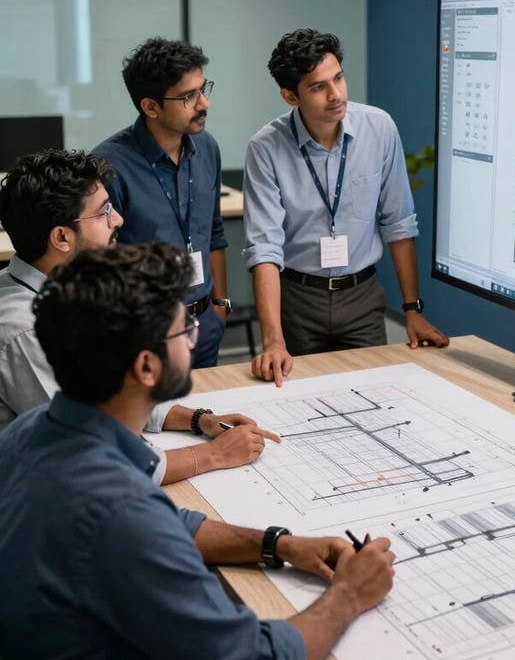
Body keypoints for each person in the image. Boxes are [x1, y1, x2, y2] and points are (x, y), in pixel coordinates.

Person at [0, 242, 395, 660]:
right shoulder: (120, 514)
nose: (192, 339)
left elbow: (168, 522)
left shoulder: (34, 430)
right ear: (146, 366)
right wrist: (348, 594)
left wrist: (279, 544)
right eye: (182, 328)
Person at [0, 149, 277, 485]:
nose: (118, 220)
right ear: (61, 237)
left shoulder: (67, 288)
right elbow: (93, 454)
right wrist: (213, 455)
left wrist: (198, 420)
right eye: (103, 213)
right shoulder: (24, 331)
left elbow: (112, 395)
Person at [243, 28, 449, 386]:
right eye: (318, 86)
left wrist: (412, 310)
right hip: (298, 299)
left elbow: (399, 223)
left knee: (374, 396)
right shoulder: (265, 148)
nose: (336, 94)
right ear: (290, 95)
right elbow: (264, 248)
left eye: (338, 78)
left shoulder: (379, 128)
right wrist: (273, 341)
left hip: (362, 297)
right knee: (297, 403)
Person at [93, 37, 229, 367]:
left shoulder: (206, 147)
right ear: (151, 107)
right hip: (146, 335)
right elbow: (100, 264)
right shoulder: (109, 166)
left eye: (203, 89)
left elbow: (213, 231)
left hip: (204, 323)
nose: (204, 104)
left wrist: (220, 304)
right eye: (188, 96)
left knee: (206, 416)